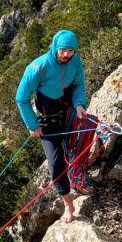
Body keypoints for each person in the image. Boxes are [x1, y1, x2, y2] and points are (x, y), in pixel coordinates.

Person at [15, 29, 93, 224]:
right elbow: (21, 98)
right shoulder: (38, 68)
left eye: (70, 51)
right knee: (55, 162)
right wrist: (32, 124)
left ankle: (78, 178)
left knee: (86, 132)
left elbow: (78, 85)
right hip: (48, 115)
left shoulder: (75, 62)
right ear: (55, 47)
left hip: (67, 107)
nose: (66, 54)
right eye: (63, 50)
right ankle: (68, 203)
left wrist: (79, 104)